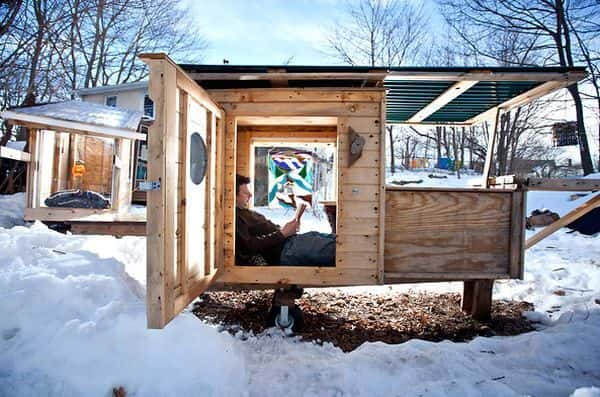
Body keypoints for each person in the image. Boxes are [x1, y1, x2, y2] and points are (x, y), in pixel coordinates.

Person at [235, 174, 335, 266]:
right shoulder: (236, 217)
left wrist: (288, 229)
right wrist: (282, 234)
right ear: (233, 196)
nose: (250, 194)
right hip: (285, 249)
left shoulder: (245, 212)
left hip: (290, 241)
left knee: (336, 239)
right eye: (245, 192)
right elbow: (249, 246)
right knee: (336, 249)